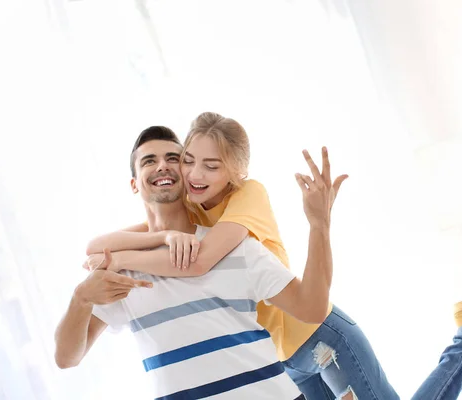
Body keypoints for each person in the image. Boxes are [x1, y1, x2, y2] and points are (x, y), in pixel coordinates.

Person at [84, 117, 462, 400]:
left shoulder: (247, 198)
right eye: (189, 160)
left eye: (212, 165)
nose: (196, 173)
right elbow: (123, 240)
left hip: (319, 335)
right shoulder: (194, 207)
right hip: (280, 357)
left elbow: (197, 262)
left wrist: (120, 258)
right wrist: (109, 252)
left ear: (236, 173)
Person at [55, 127, 343, 399]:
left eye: (173, 159)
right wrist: (80, 299)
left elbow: (311, 308)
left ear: (186, 175)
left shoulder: (234, 248)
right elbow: (66, 357)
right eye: (148, 161)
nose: (162, 166)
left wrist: (319, 225)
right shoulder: (121, 270)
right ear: (134, 184)